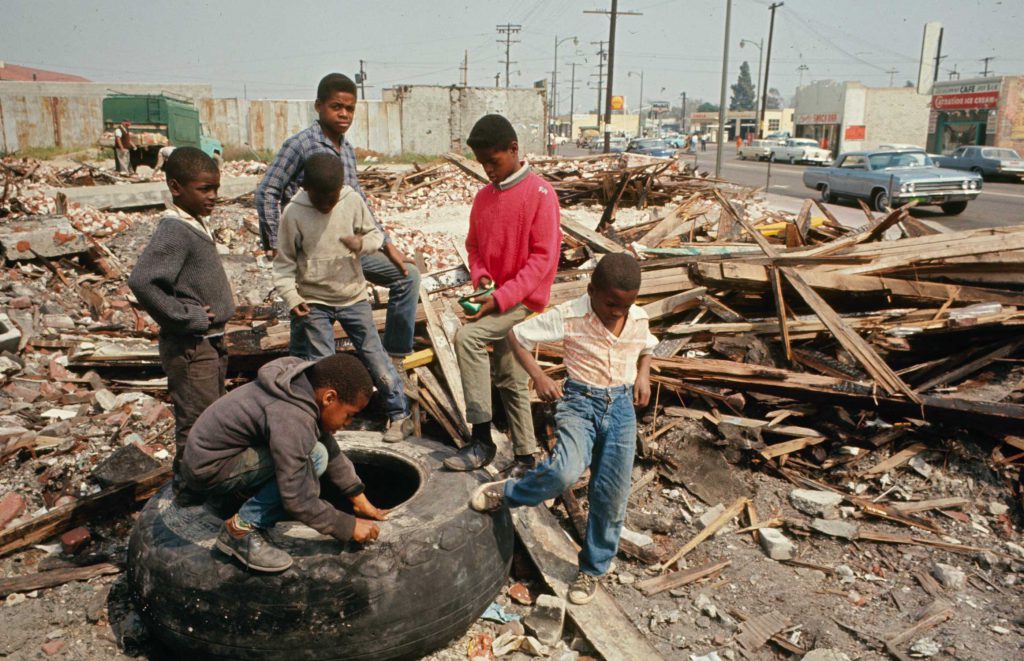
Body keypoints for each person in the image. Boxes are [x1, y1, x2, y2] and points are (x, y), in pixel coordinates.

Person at [469, 253, 655, 605]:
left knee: (612, 495)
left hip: (622, 410)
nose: (618, 311)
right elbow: (516, 335)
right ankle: (508, 493)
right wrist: (538, 375)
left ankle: (593, 568)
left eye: (626, 305)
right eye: (611, 303)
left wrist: (643, 374)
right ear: (591, 290)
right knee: (565, 470)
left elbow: (647, 347)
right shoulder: (570, 314)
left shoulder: (638, 318)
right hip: (580, 403)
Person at [256, 73, 420, 376]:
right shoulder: (300, 145)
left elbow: (359, 202)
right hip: (313, 254)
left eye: (350, 108)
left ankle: (395, 358)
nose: (344, 114)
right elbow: (268, 190)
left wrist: (387, 245)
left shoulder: (345, 149)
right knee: (306, 333)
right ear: (318, 106)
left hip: (348, 249)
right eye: (336, 107)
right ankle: (301, 382)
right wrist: (273, 244)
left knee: (407, 276)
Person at [181, 353, 388, 573]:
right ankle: (239, 530)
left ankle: (236, 499)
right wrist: (346, 525)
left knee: (316, 449)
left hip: (210, 455)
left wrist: (358, 497)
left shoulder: (299, 385)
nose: (347, 424)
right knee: (315, 457)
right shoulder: (292, 416)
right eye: (349, 415)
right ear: (329, 398)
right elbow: (296, 498)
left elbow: (326, 441)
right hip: (208, 470)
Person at [444, 114, 562, 472]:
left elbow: (543, 259)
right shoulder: (483, 198)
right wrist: (481, 282)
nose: (488, 171)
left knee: (468, 338)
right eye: (482, 164)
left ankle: (480, 439)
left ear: (514, 150)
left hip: (524, 300)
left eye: (493, 162)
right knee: (510, 375)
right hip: (494, 294)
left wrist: (498, 299)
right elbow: (475, 248)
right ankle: (526, 455)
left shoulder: (541, 195)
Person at [273, 153, 411, 442]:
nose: (328, 205)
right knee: (323, 367)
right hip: (314, 302)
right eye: (321, 200)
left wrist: (362, 243)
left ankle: (399, 415)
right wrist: (292, 297)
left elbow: (376, 235)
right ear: (306, 188)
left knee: (375, 357)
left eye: (333, 198)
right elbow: (283, 266)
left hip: (353, 297)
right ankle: (327, 426)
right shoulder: (293, 213)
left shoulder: (350, 200)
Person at [128, 147, 235, 498]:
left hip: (208, 343)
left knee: (211, 419)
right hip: (191, 348)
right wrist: (185, 316)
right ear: (176, 187)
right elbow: (142, 280)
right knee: (197, 424)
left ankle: (201, 484)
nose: (213, 197)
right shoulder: (175, 229)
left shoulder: (192, 222)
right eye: (204, 189)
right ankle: (190, 494)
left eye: (216, 188)